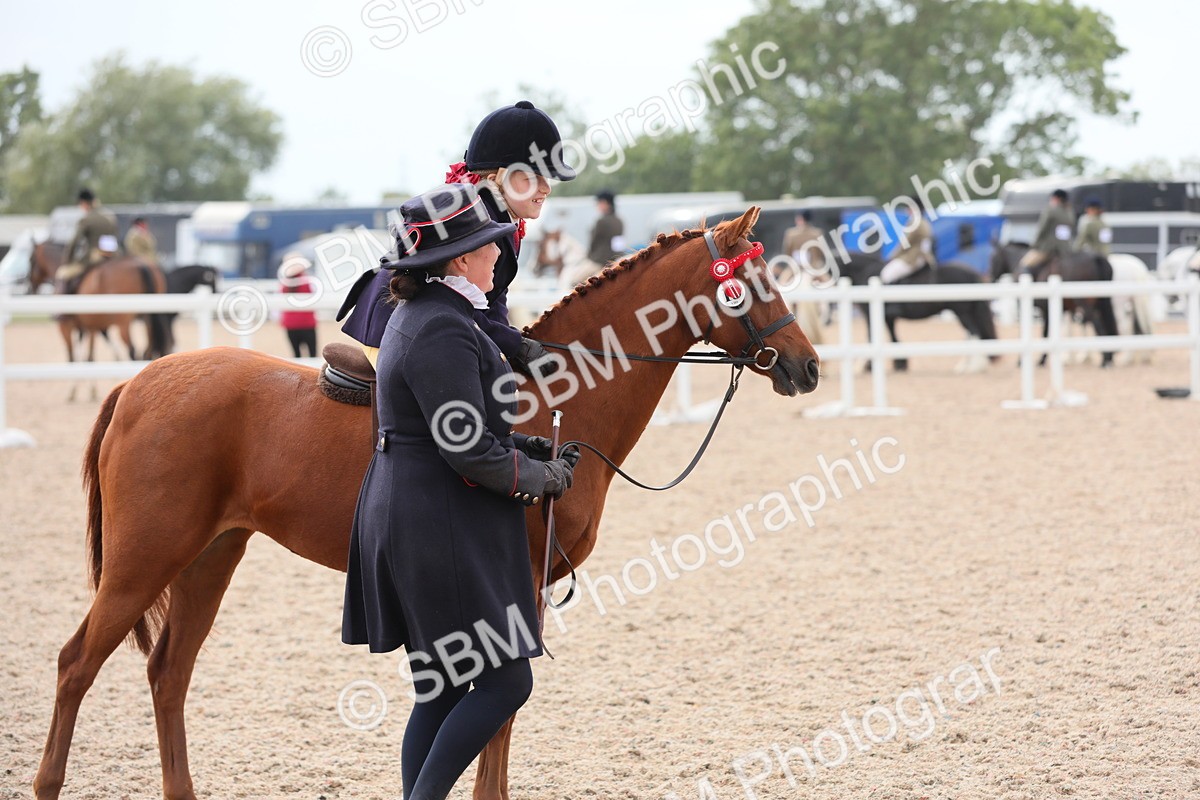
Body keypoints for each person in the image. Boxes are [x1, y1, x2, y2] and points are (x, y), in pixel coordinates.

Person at [342, 184, 579, 800]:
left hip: (416, 503)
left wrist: (529, 451)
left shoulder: (426, 317)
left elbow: (459, 426)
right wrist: (539, 480)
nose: (497, 255)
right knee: (507, 683)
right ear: (458, 262)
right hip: (436, 519)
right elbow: (467, 450)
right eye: (485, 248)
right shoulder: (443, 328)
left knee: (444, 687)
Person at [338, 100, 576, 373]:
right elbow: (455, 303)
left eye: (548, 179)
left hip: (436, 323)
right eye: (533, 178)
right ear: (499, 177)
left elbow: (492, 297)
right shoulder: (476, 221)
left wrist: (512, 342)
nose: (546, 188)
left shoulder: (502, 217)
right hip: (397, 324)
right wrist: (515, 346)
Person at [58, 188, 119, 292]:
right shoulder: (110, 216)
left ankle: (66, 304)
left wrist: (67, 260)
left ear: (84, 203)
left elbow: (75, 241)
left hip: (95, 255)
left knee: (62, 274)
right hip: (114, 254)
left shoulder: (87, 219)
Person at [880, 198, 937, 284]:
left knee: (886, 274)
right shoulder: (924, 222)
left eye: (909, 207)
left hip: (914, 257)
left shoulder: (915, 223)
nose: (907, 209)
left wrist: (892, 257)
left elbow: (905, 244)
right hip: (924, 257)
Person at [1020, 188, 1075, 273]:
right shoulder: (1070, 212)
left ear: (1056, 198)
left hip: (1049, 248)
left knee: (1025, 264)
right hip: (1066, 249)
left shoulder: (1050, 210)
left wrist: (1035, 244)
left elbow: (1042, 229)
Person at [279, 254, 318, 357]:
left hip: (290, 324)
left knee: (296, 355)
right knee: (312, 354)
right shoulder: (308, 281)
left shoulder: (284, 284)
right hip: (307, 323)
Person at [587, 189, 625, 266]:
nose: (598, 206)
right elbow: (619, 244)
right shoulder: (619, 221)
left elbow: (593, 243)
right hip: (616, 260)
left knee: (575, 278)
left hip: (599, 261)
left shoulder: (601, 221)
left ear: (605, 203)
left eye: (599, 203)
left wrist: (588, 257)